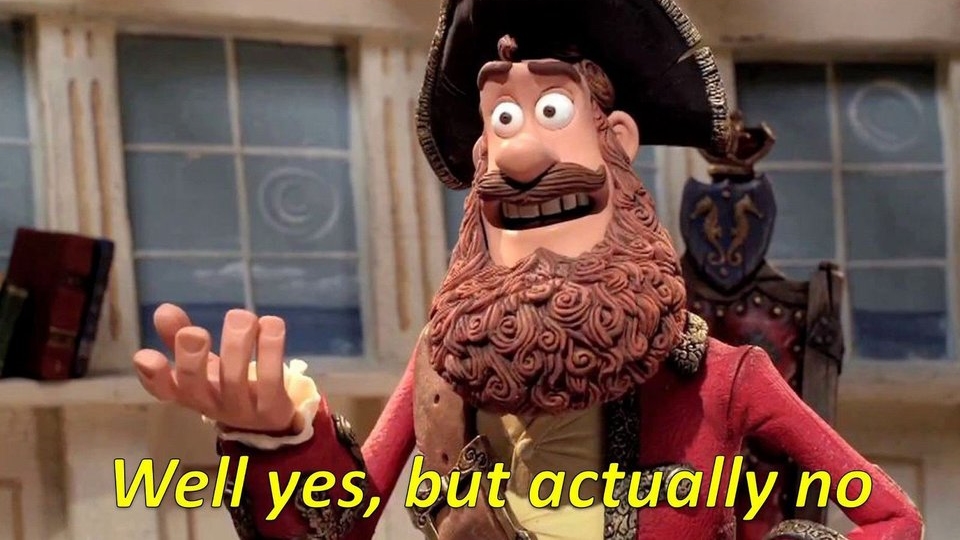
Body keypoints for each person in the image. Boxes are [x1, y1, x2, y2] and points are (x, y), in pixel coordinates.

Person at [133, 0, 924, 538]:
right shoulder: (442, 373)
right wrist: (277, 440)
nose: (516, 158)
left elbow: (891, 518)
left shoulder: (722, 379)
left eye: (551, 112)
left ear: (616, 144)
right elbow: (334, 528)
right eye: (502, 122)